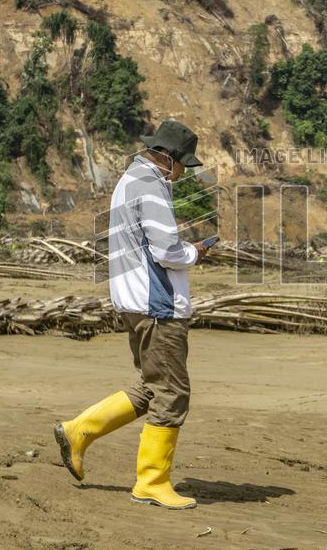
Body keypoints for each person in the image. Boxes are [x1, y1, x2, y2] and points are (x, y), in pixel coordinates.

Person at [54, 119, 210, 510]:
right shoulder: (153, 187)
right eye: (181, 166)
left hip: (132, 301)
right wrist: (195, 253)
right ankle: (151, 483)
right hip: (157, 306)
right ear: (169, 158)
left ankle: (78, 432)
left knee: (151, 387)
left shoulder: (128, 181)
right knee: (172, 393)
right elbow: (166, 252)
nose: (181, 175)